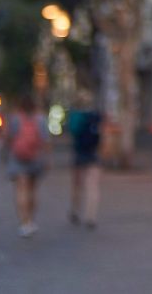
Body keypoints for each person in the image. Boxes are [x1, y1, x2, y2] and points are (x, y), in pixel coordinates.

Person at [5, 95, 50, 238]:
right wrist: (47, 158)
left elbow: (8, 138)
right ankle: (31, 220)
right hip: (35, 157)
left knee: (21, 190)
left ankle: (24, 223)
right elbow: (46, 140)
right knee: (32, 190)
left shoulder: (15, 118)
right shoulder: (41, 119)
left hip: (18, 157)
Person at [67, 89, 102, 229]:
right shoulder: (95, 116)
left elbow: (72, 132)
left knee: (77, 185)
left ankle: (75, 210)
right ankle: (91, 216)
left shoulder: (75, 116)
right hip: (94, 154)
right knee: (93, 186)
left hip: (79, 154)